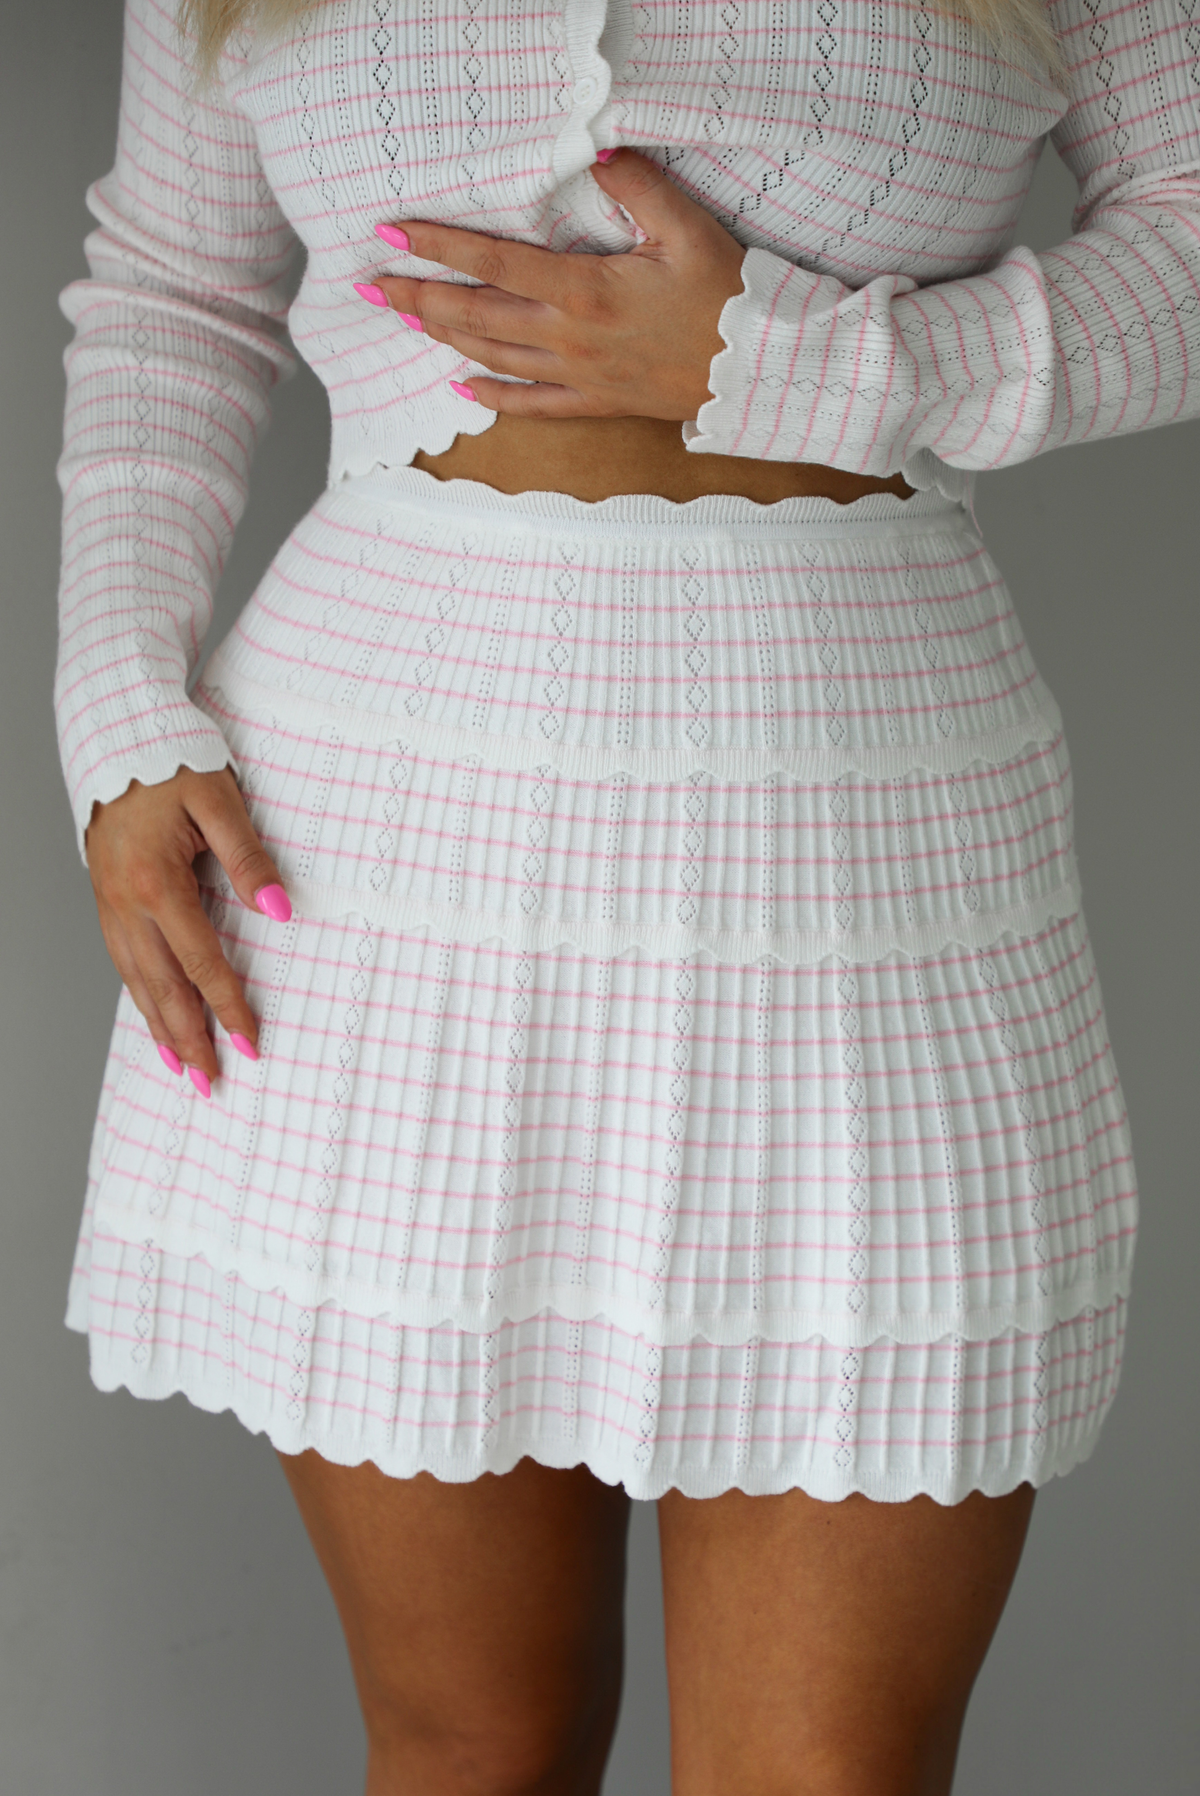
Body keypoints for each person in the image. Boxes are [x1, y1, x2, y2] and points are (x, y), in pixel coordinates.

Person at [54, 0, 1197, 1790]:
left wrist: (814, 367)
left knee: (829, 1771)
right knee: (466, 1750)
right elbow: (171, 292)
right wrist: (117, 711)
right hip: (383, 851)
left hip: (863, 868)